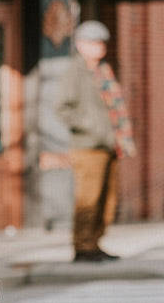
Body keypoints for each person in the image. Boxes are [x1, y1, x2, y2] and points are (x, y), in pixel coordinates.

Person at [54, 19, 136, 262]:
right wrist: (90, 126)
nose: (100, 47)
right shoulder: (75, 71)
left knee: (106, 200)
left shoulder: (103, 71)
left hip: (109, 145)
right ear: (81, 45)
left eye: (102, 42)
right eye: (94, 42)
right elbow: (61, 107)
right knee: (88, 200)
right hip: (87, 147)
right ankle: (82, 247)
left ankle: (96, 242)